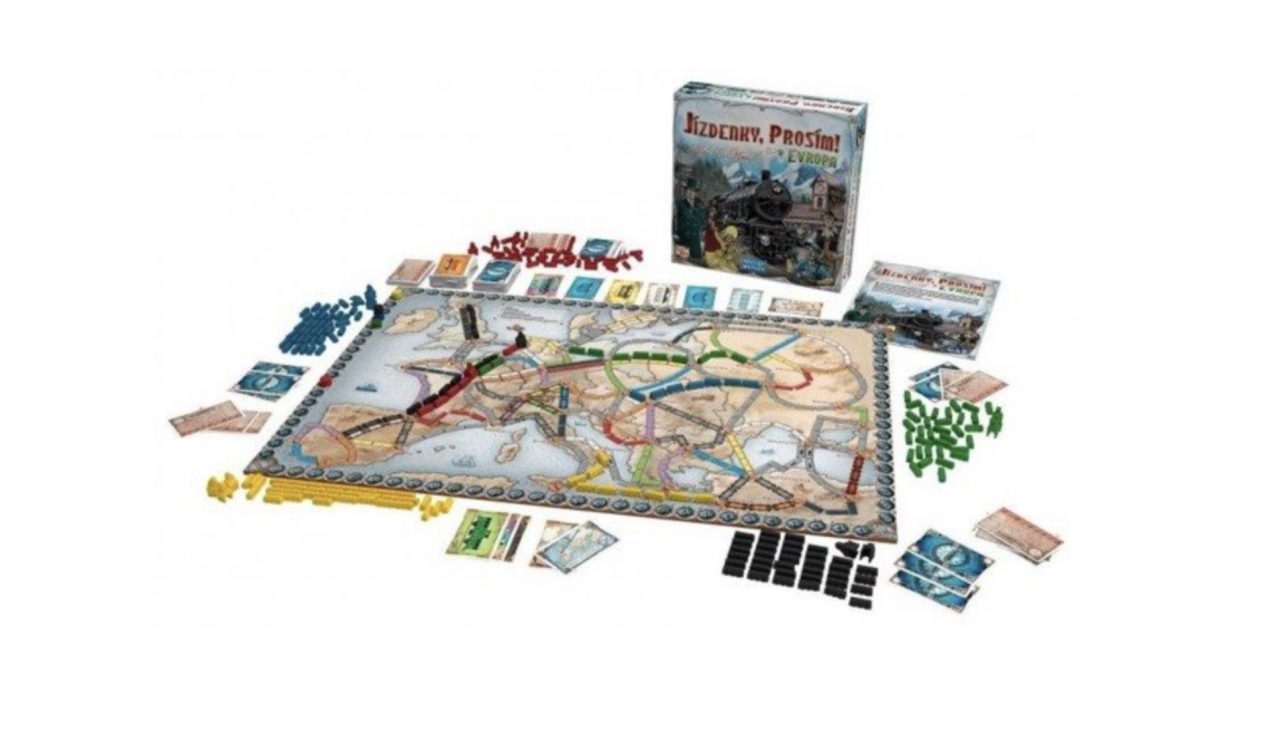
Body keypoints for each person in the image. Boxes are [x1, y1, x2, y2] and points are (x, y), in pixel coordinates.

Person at [673, 179, 707, 264]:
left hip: (695, 244)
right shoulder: (678, 204)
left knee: (696, 265)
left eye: (693, 190)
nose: (691, 192)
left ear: (696, 193)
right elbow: (673, 220)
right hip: (683, 242)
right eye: (689, 190)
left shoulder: (699, 207)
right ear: (685, 191)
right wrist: (674, 233)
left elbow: (703, 222)